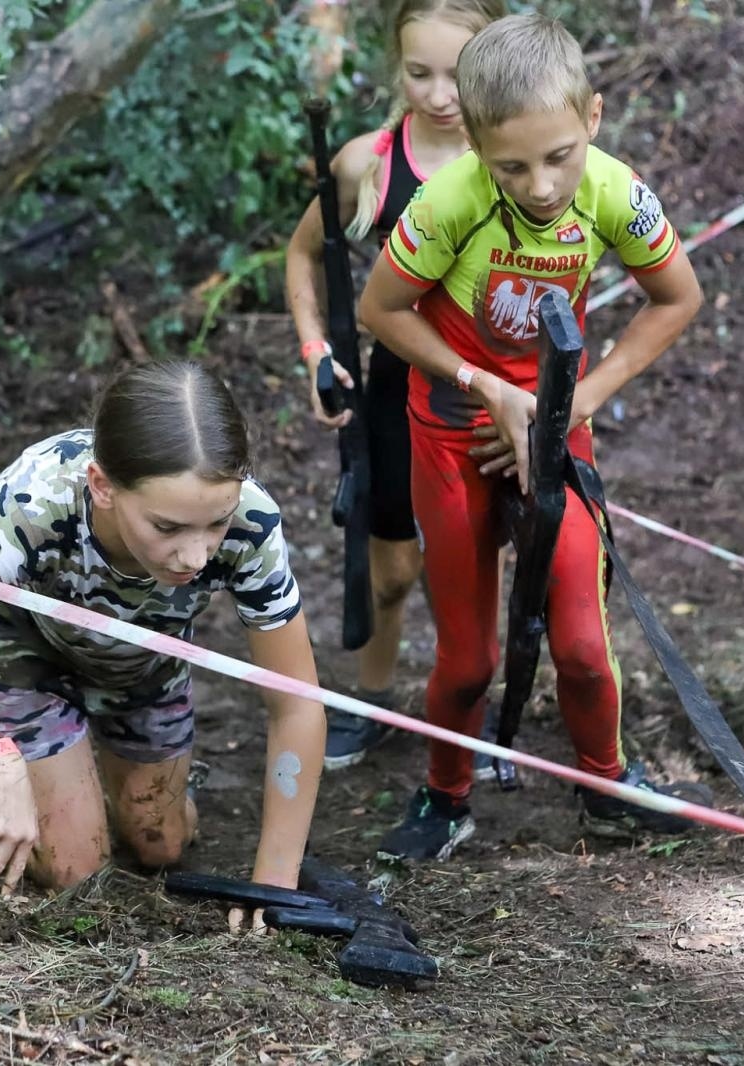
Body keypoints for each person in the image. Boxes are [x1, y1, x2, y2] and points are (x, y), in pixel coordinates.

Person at [357, 13, 711, 861]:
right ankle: (446, 796)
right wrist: (483, 387)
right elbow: (380, 310)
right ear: (476, 145)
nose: (543, 185)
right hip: (454, 435)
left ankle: (606, 788)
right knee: (468, 658)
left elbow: (678, 297)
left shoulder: (614, 191)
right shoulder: (449, 201)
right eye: (512, 166)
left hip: (555, 430)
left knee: (584, 647)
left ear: (593, 117)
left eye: (559, 156)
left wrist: (578, 402)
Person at [0, 362, 327, 903]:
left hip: (144, 658)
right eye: (167, 527)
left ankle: (134, 789)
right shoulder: (24, 510)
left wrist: (275, 886)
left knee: (161, 846)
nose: (196, 556)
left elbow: (298, 704)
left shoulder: (252, 523)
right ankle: (41, 780)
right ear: (102, 487)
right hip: (28, 656)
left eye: (217, 523)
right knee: (76, 872)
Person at [285, 0, 505, 771]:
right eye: (419, 74)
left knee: (471, 561)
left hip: (492, 388)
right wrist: (315, 349)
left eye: (458, 75)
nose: (441, 95)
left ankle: (470, 708)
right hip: (396, 388)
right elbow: (302, 253)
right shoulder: (367, 162)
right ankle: (374, 702)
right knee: (393, 571)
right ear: (396, 69)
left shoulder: (516, 150)